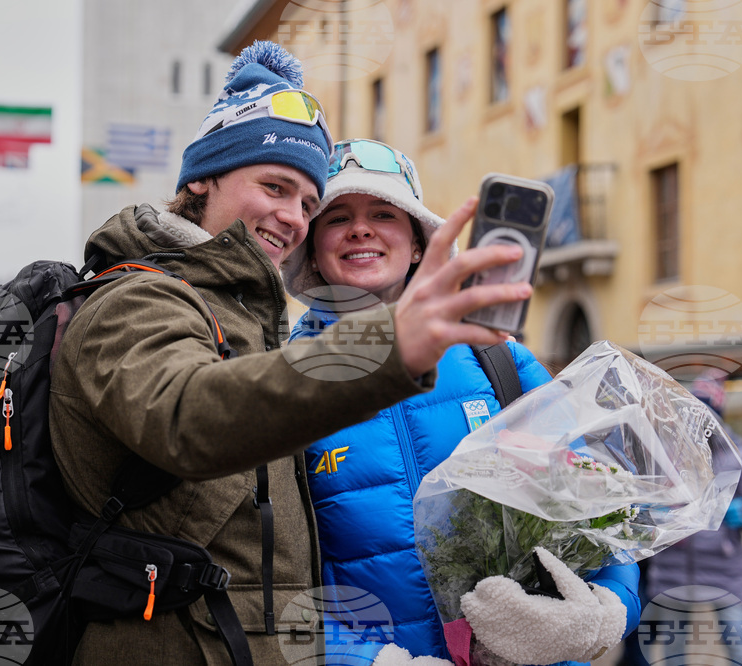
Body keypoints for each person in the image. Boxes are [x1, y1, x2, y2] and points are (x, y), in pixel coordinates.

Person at [50, 42, 534, 665]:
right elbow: (188, 416)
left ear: (417, 241)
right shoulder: (137, 297)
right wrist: (392, 346)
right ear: (202, 177)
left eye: (308, 201)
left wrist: (598, 607)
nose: (294, 217)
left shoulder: (247, 325)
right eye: (275, 186)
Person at [283, 138, 641, 665]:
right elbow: (268, 589)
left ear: (419, 243)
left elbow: (599, 512)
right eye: (337, 217)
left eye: (384, 213)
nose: (361, 228)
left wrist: (608, 607)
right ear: (313, 247)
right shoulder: (281, 387)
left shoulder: (496, 358)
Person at [636, 371, 742, 666]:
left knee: (739, 649)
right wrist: (651, 511)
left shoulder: (738, 456)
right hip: (672, 569)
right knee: (673, 655)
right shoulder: (667, 454)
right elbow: (646, 503)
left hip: (724, 568)